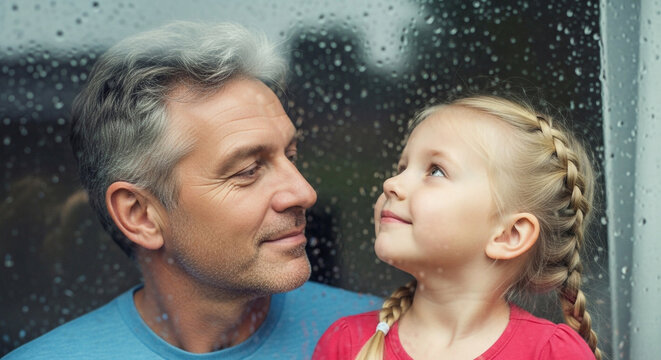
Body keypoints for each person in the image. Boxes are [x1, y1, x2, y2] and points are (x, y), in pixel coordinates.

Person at [4, 21, 380, 359]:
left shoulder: (390, 340)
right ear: (141, 215)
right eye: (248, 170)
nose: (304, 192)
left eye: (292, 155)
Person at [313, 95, 602, 359]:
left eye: (435, 170)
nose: (391, 184)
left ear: (509, 235)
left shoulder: (552, 354)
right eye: (402, 168)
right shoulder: (346, 345)